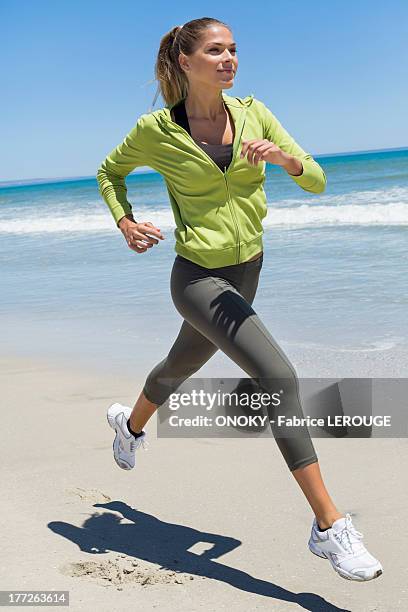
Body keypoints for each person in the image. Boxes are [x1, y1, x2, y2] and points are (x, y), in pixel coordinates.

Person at [96, 17, 383, 582]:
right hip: (197, 278)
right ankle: (329, 527)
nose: (229, 59)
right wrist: (126, 222)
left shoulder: (255, 113)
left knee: (178, 365)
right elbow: (110, 172)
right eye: (215, 50)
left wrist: (283, 159)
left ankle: (128, 428)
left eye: (233, 50)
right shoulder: (156, 130)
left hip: (248, 269)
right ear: (186, 61)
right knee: (279, 377)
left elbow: (317, 178)